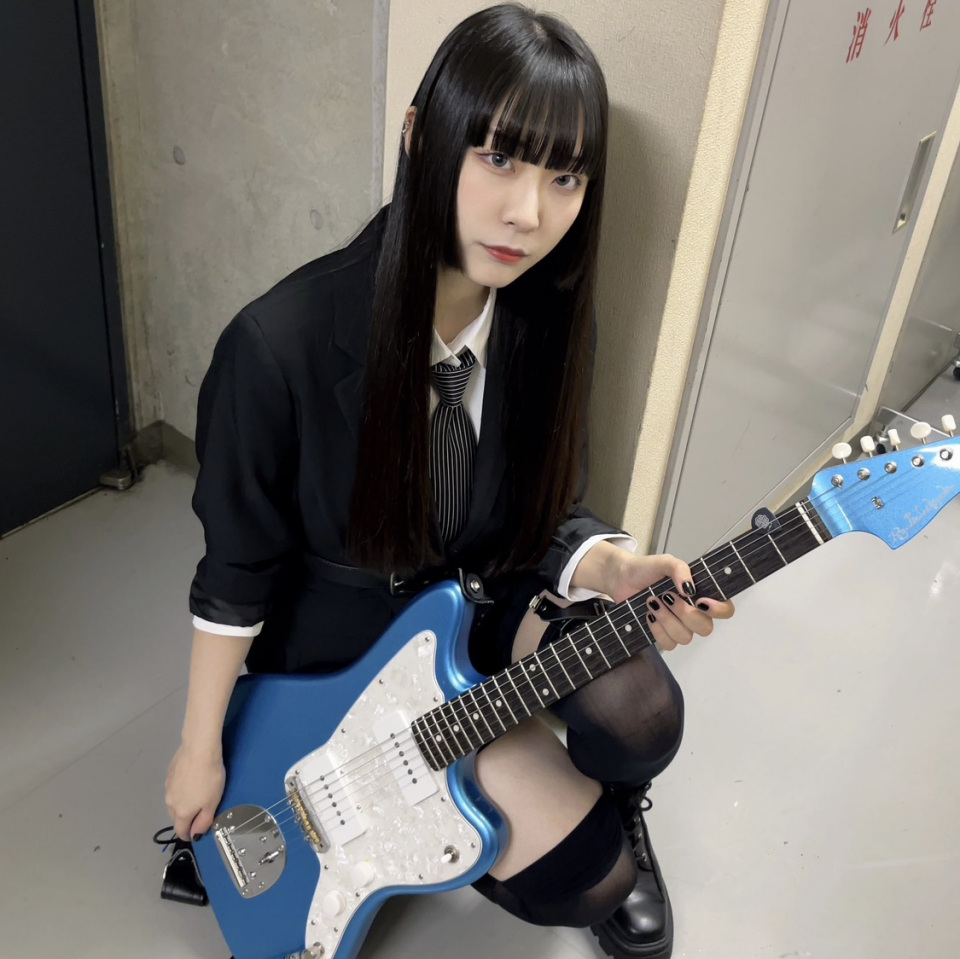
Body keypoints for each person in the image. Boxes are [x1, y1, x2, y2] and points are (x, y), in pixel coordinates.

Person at [164, 5, 734, 959]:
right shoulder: (277, 346)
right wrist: (199, 749)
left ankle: (608, 802)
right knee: (589, 882)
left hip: (486, 601)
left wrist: (610, 568)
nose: (529, 214)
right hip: (346, 647)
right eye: (499, 158)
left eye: (565, 178)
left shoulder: (550, 324)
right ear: (420, 137)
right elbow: (235, 574)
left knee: (642, 711)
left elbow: (547, 507)